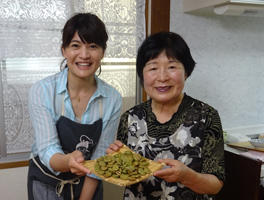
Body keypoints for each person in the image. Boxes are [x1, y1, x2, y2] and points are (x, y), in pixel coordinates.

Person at [107, 31, 225, 200]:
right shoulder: (130, 118)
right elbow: (125, 176)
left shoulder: (206, 117)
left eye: (172, 67)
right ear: (142, 74)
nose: (162, 77)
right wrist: (116, 163)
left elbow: (215, 185)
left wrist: (186, 176)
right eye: (153, 68)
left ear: (186, 72)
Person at [27, 13, 122, 200]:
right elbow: (47, 149)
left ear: (103, 52)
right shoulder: (42, 91)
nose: (84, 55)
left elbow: (100, 156)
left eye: (93, 46)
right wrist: (68, 160)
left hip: (88, 183)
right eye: (75, 46)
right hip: (47, 182)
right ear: (64, 50)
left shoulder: (112, 98)